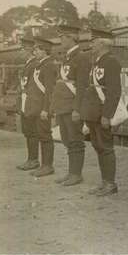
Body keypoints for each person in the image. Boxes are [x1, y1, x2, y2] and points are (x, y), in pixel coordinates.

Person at [80, 29, 121, 196]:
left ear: (103, 43)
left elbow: (114, 91)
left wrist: (107, 115)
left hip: (102, 112)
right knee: (98, 146)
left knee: (106, 147)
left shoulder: (111, 62)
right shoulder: (96, 62)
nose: (91, 44)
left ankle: (110, 184)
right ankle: (104, 182)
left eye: (94, 41)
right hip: (93, 112)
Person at [52, 25, 87, 186]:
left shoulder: (80, 57)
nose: (60, 41)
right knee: (66, 139)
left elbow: (81, 86)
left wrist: (77, 109)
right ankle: (71, 172)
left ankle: (76, 174)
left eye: (63, 37)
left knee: (75, 140)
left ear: (71, 37)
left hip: (72, 105)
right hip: (63, 105)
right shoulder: (67, 57)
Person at [24, 37, 57, 177]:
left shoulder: (49, 65)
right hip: (35, 107)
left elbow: (50, 90)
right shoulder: (40, 65)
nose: (35, 52)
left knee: (45, 136)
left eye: (37, 49)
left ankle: (47, 166)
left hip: (42, 108)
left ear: (44, 51)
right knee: (39, 134)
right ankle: (41, 164)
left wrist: (46, 109)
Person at [16, 38, 40, 171]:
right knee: (28, 132)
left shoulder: (34, 64)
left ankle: (33, 159)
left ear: (29, 50)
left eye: (23, 49)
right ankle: (31, 159)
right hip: (25, 100)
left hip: (31, 102)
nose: (21, 51)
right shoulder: (28, 64)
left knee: (32, 131)